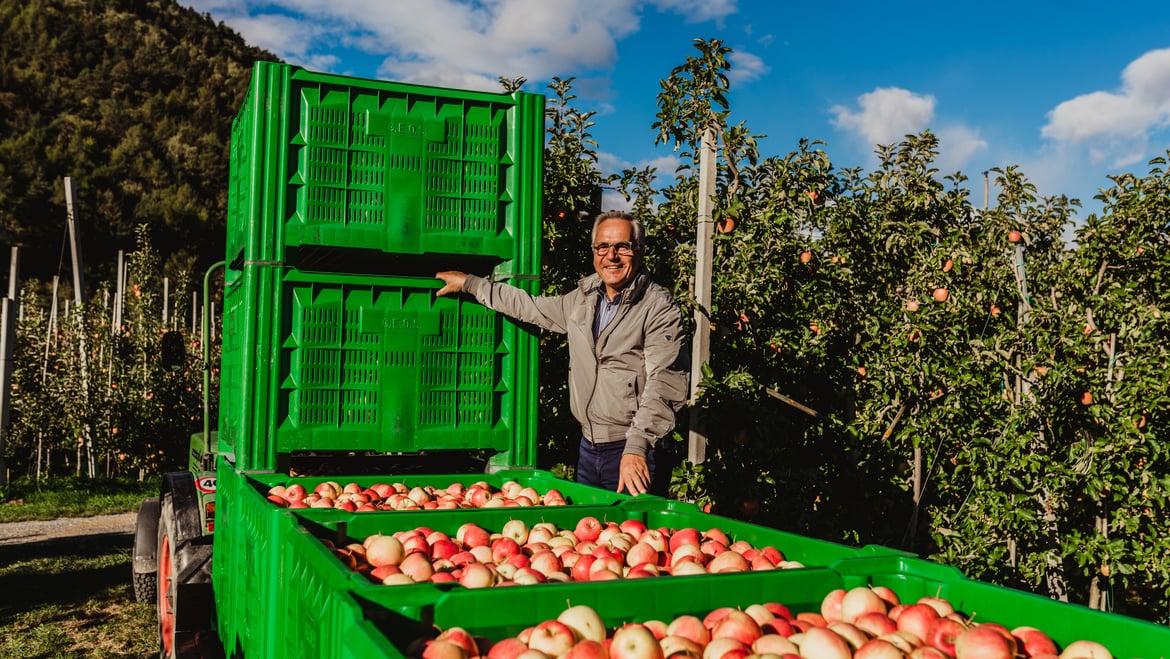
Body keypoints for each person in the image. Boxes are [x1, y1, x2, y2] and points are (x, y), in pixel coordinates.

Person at [435, 211, 689, 495]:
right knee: (590, 534)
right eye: (603, 247)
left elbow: (665, 381)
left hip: (635, 451)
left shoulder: (658, 308)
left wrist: (637, 445)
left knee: (632, 535)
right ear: (594, 252)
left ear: (639, 251)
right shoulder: (583, 299)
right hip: (589, 448)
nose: (612, 256)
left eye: (623, 247)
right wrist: (470, 283)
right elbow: (531, 307)